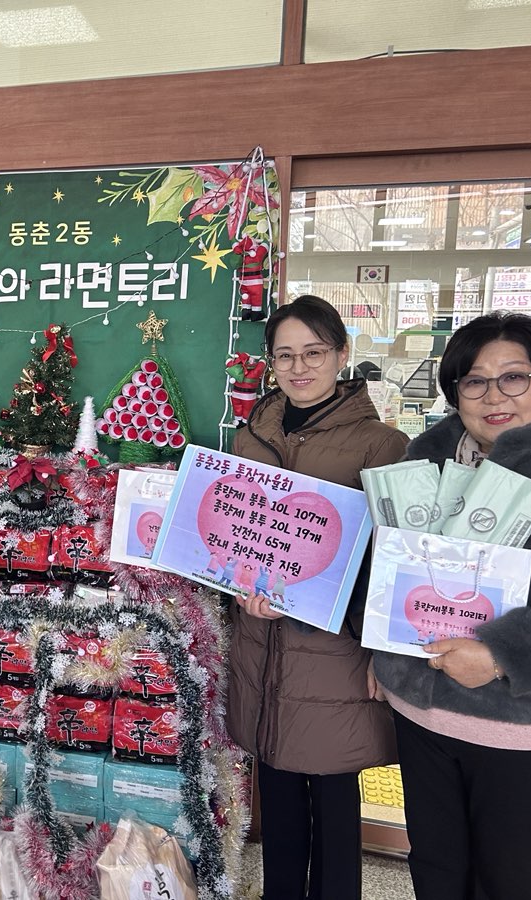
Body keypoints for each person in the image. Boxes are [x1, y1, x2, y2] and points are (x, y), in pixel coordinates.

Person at [373, 312, 531, 900]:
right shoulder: (423, 459)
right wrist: (380, 648)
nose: (494, 396)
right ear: (454, 390)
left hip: (525, 726)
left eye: (513, 377)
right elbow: (387, 559)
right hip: (425, 713)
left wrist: (502, 653)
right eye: (473, 381)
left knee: (509, 882)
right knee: (434, 870)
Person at [226, 295, 409, 900]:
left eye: (314, 353)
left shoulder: (382, 444)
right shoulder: (251, 438)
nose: (299, 368)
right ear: (270, 363)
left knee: (332, 797)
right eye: (285, 355)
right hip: (262, 641)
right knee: (275, 790)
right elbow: (228, 535)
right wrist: (238, 585)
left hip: (334, 652)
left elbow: (392, 560)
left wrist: (379, 647)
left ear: (342, 355)